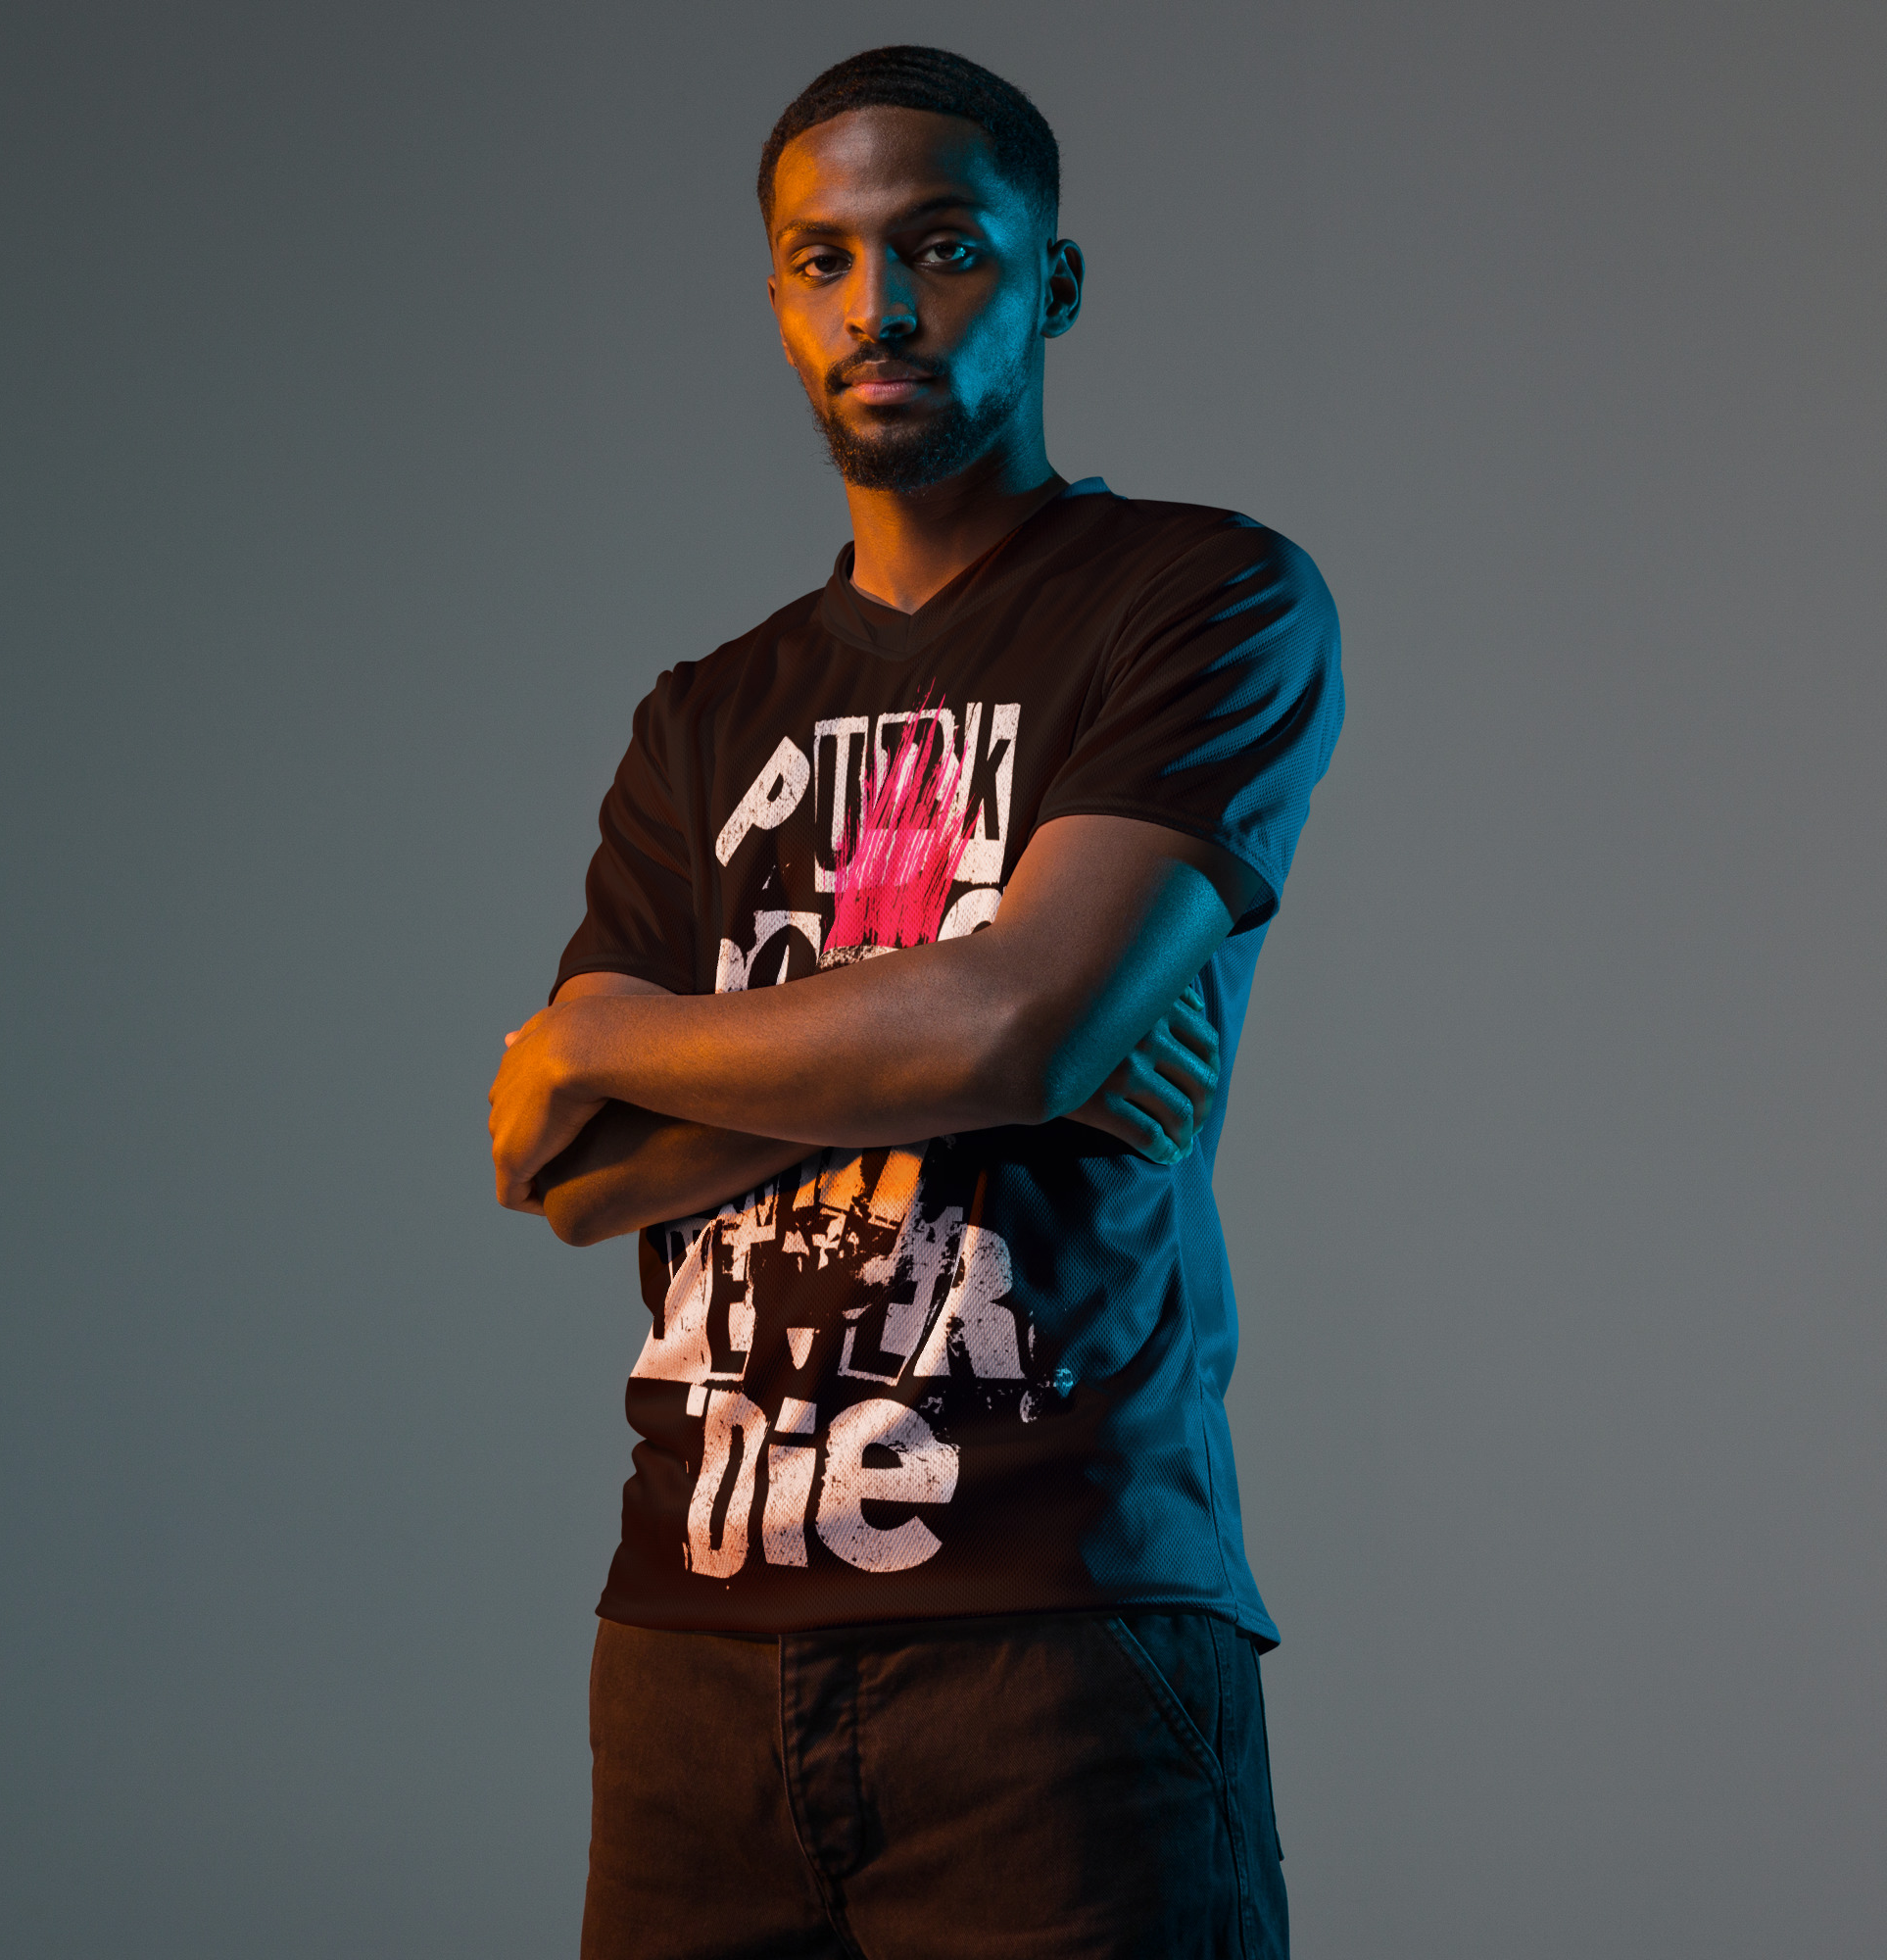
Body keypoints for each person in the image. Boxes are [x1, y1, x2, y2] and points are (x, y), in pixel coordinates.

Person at [488, 44, 1341, 1960]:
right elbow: (571, 1176)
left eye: (943, 248)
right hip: (689, 1653)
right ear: (779, 296)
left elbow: (1016, 1024)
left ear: (1052, 282)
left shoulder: (1201, 598)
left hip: (1057, 1644)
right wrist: (975, 1036)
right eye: (824, 259)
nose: (877, 304)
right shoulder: (703, 714)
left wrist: (600, 1034)